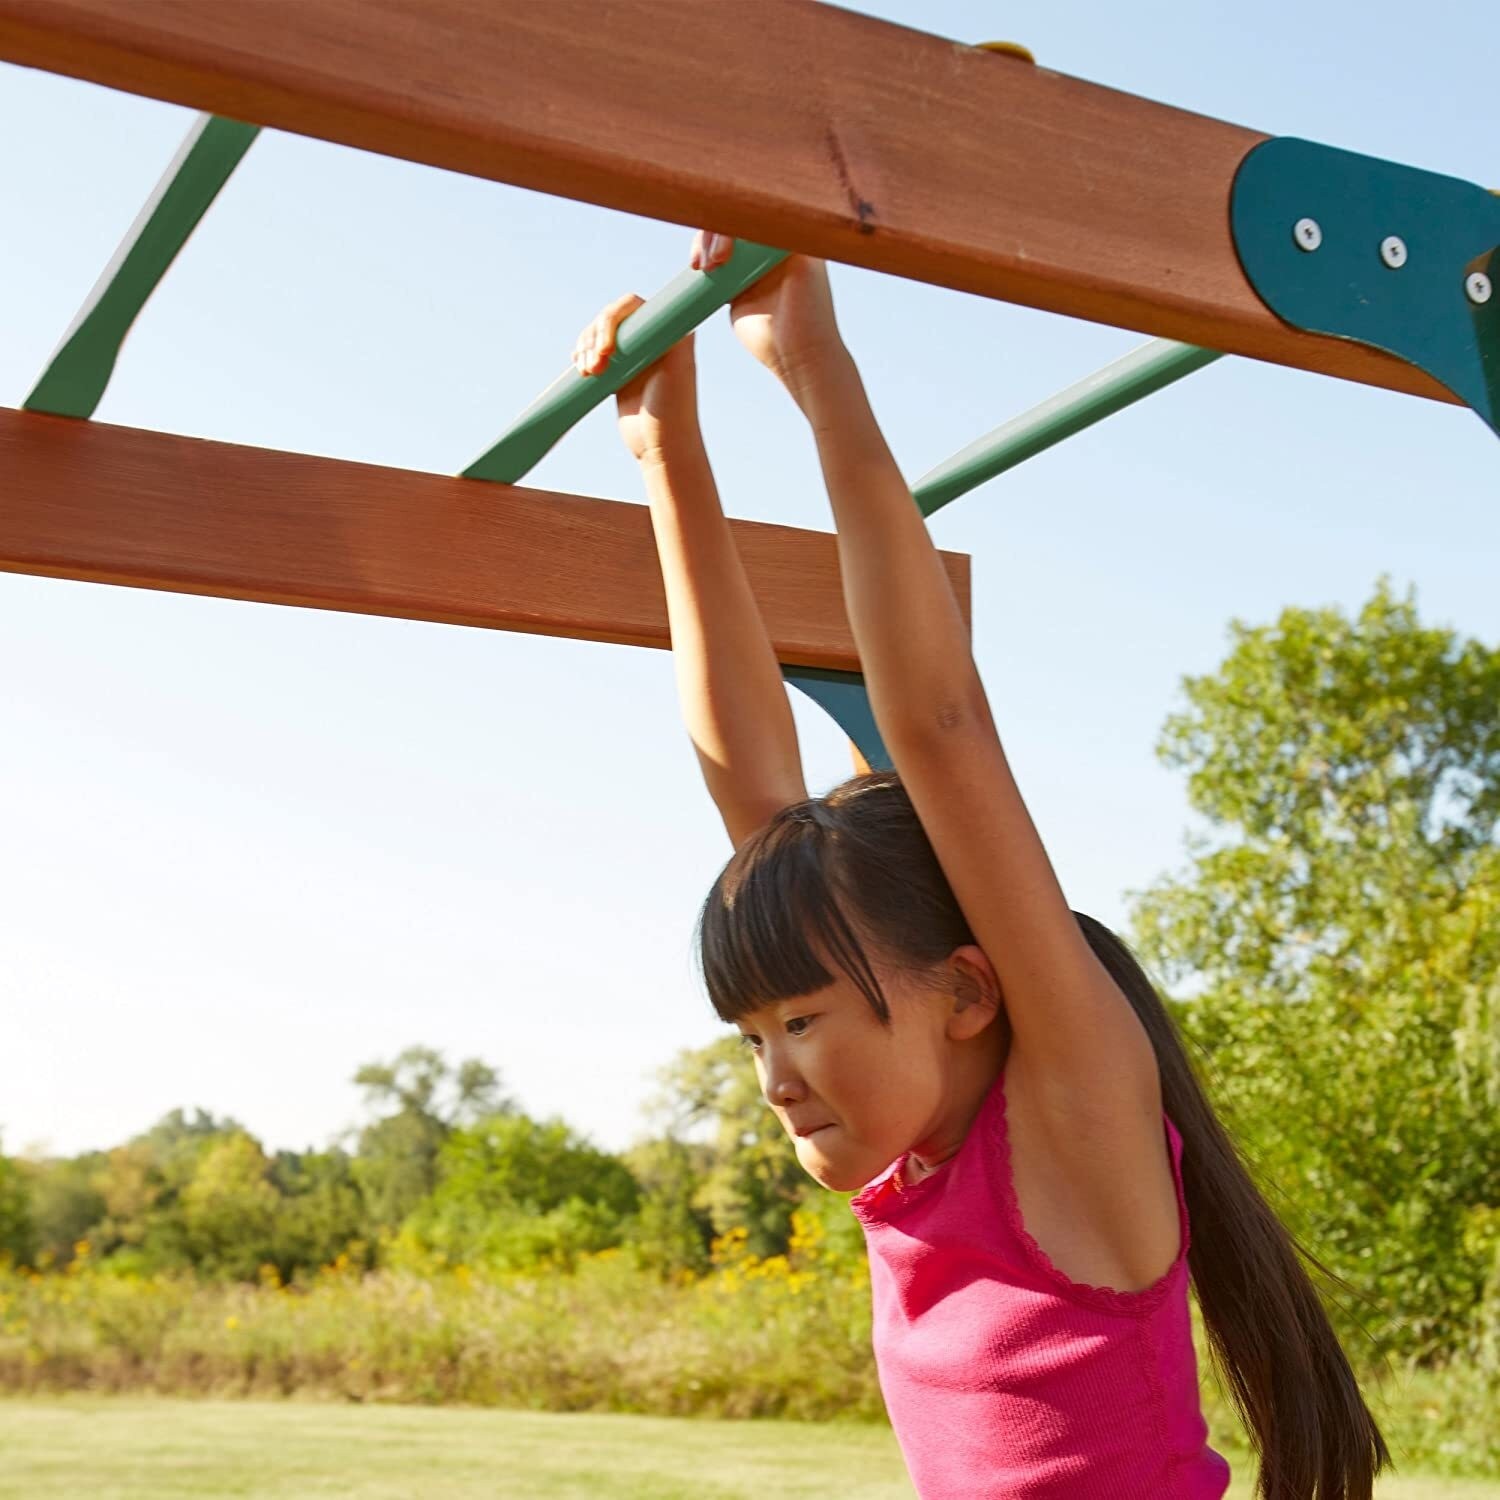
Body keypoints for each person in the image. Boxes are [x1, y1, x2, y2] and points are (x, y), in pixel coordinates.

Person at [573, 232, 1392, 1499]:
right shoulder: (916, 1142)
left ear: (967, 992)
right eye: (753, 1038)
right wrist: (667, 453)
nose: (775, 1078)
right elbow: (751, 792)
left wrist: (810, 361)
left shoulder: (1072, 1116)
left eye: (797, 1023)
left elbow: (943, 733)